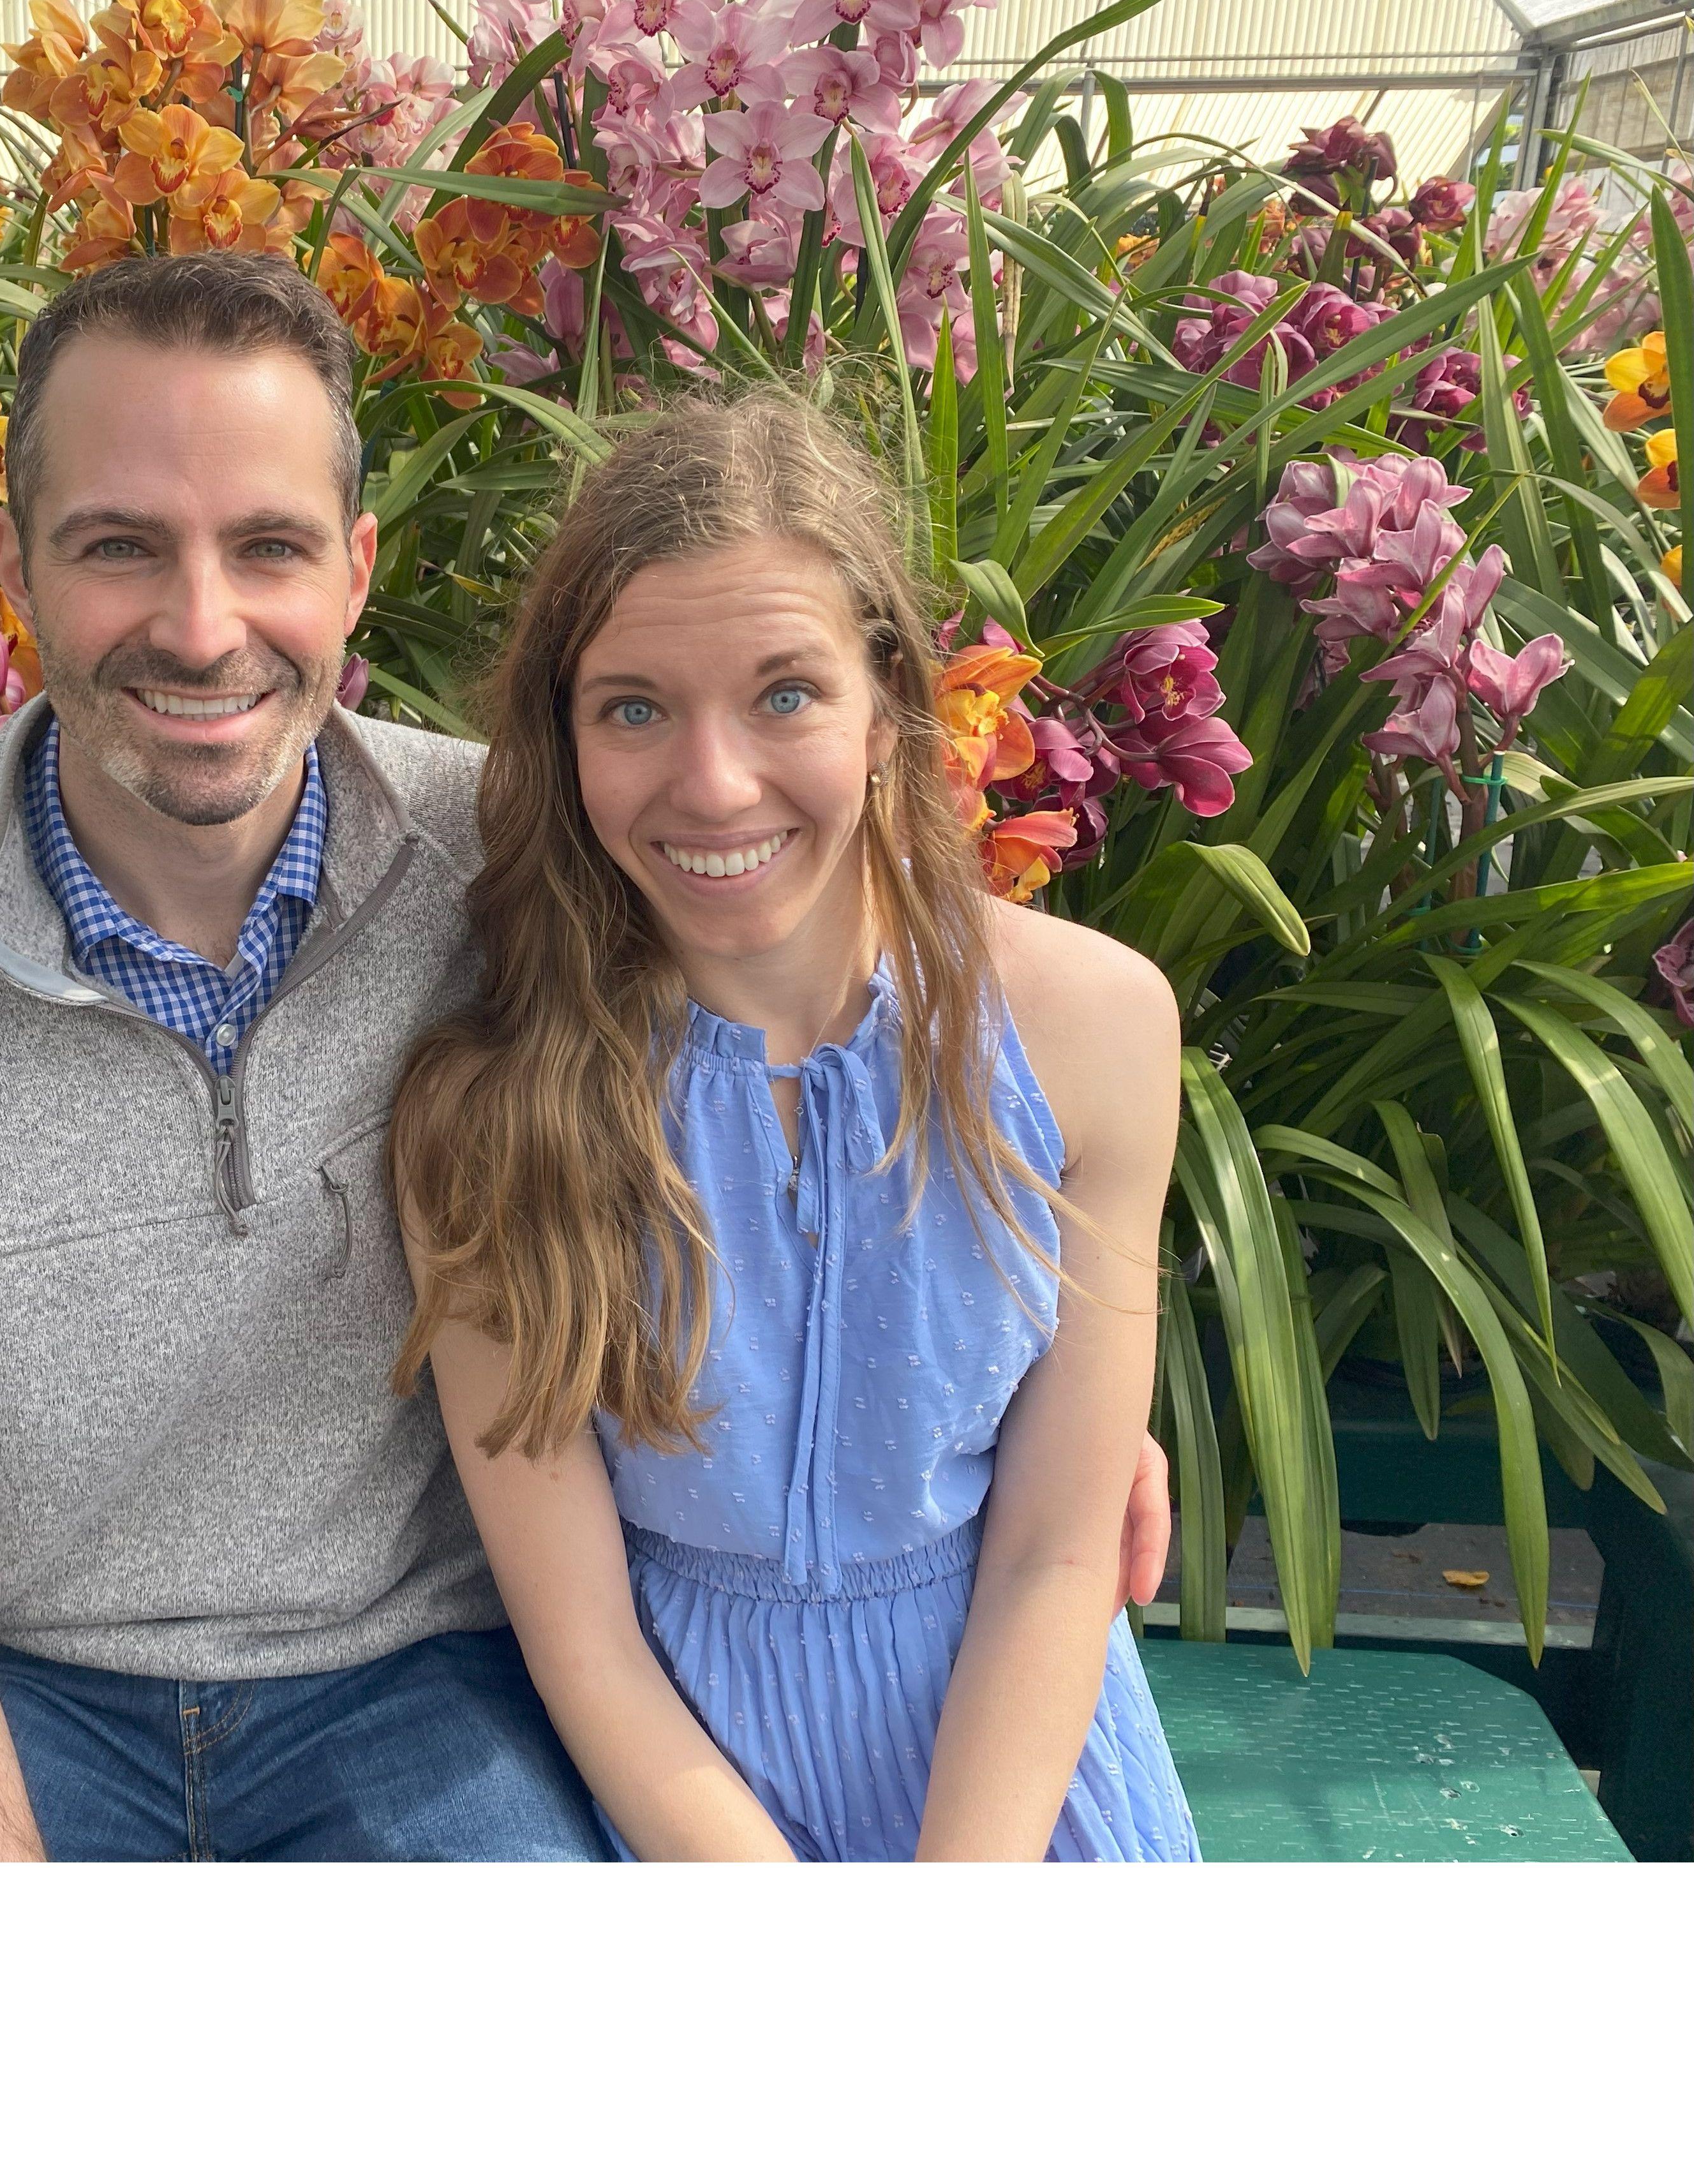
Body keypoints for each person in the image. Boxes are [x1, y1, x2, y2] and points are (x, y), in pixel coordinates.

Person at [0, 252, 1177, 1861]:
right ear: (12, 566)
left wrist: (1038, 1413)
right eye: (120, 547)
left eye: (266, 547)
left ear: (355, 567)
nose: (202, 628)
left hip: (416, 1681)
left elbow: (841, 1053)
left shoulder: (545, 854)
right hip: (30, 1688)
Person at [388, 389, 1201, 1861]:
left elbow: (1055, 1553)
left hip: (1011, 1768)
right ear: (562, 738)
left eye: (785, 695)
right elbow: (585, 1646)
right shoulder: (489, 1114)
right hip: (680, 1781)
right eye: (632, 707)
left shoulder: (1090, 1032)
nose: (714, 784)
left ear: (890, 703)